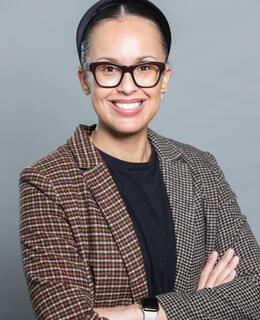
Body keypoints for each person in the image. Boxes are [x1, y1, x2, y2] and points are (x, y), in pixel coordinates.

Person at [18, 0, 260, 319]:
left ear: (164, 78)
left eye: (145, 67)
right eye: (109, 68)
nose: (128, 86)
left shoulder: (201, 167)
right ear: (84, 79)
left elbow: (255, 289)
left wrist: (148, 312)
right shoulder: (47, 182)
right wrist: (202, 305)